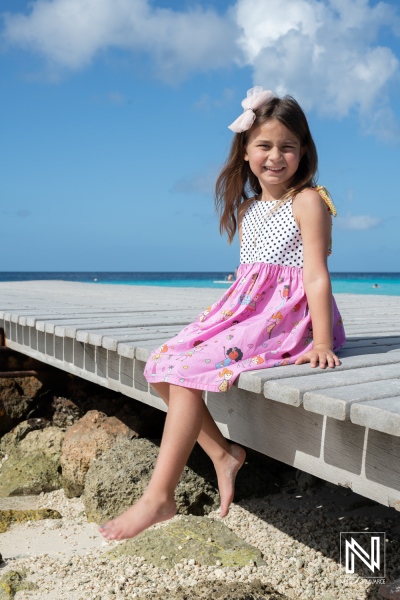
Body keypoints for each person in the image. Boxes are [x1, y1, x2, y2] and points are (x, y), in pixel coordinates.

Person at [99, 86, 346, 541]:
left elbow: (315, 276)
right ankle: (223, 453)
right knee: (160, 364)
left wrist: (324, 341)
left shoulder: (308, 200)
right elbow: (250, 280)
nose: (276, 156)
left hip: (288, 318)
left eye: (287, 147)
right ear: (246, 151)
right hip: (245, 310)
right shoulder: (251, 207)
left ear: (304, 151)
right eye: (265, 146)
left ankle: (159, 496)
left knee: (189, 373)